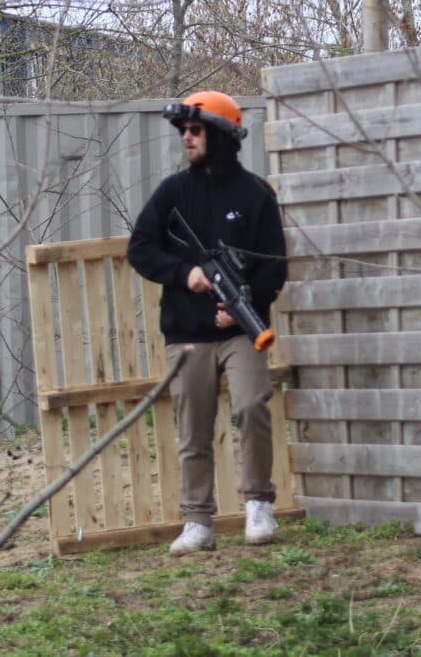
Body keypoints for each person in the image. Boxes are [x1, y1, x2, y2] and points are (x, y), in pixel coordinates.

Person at [127, 90, 288, 554]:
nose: (187, 138)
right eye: (184, 131)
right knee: (193, 426)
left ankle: (259, 505)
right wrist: (186, 274)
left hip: (243, 330)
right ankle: (197, 521)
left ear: (219, 135)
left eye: (195, 130)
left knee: (251, 405)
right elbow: (141, 249)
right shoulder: (173, 193)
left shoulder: (256, 193)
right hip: (187, 333)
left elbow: (274, 264)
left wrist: (244, 303)